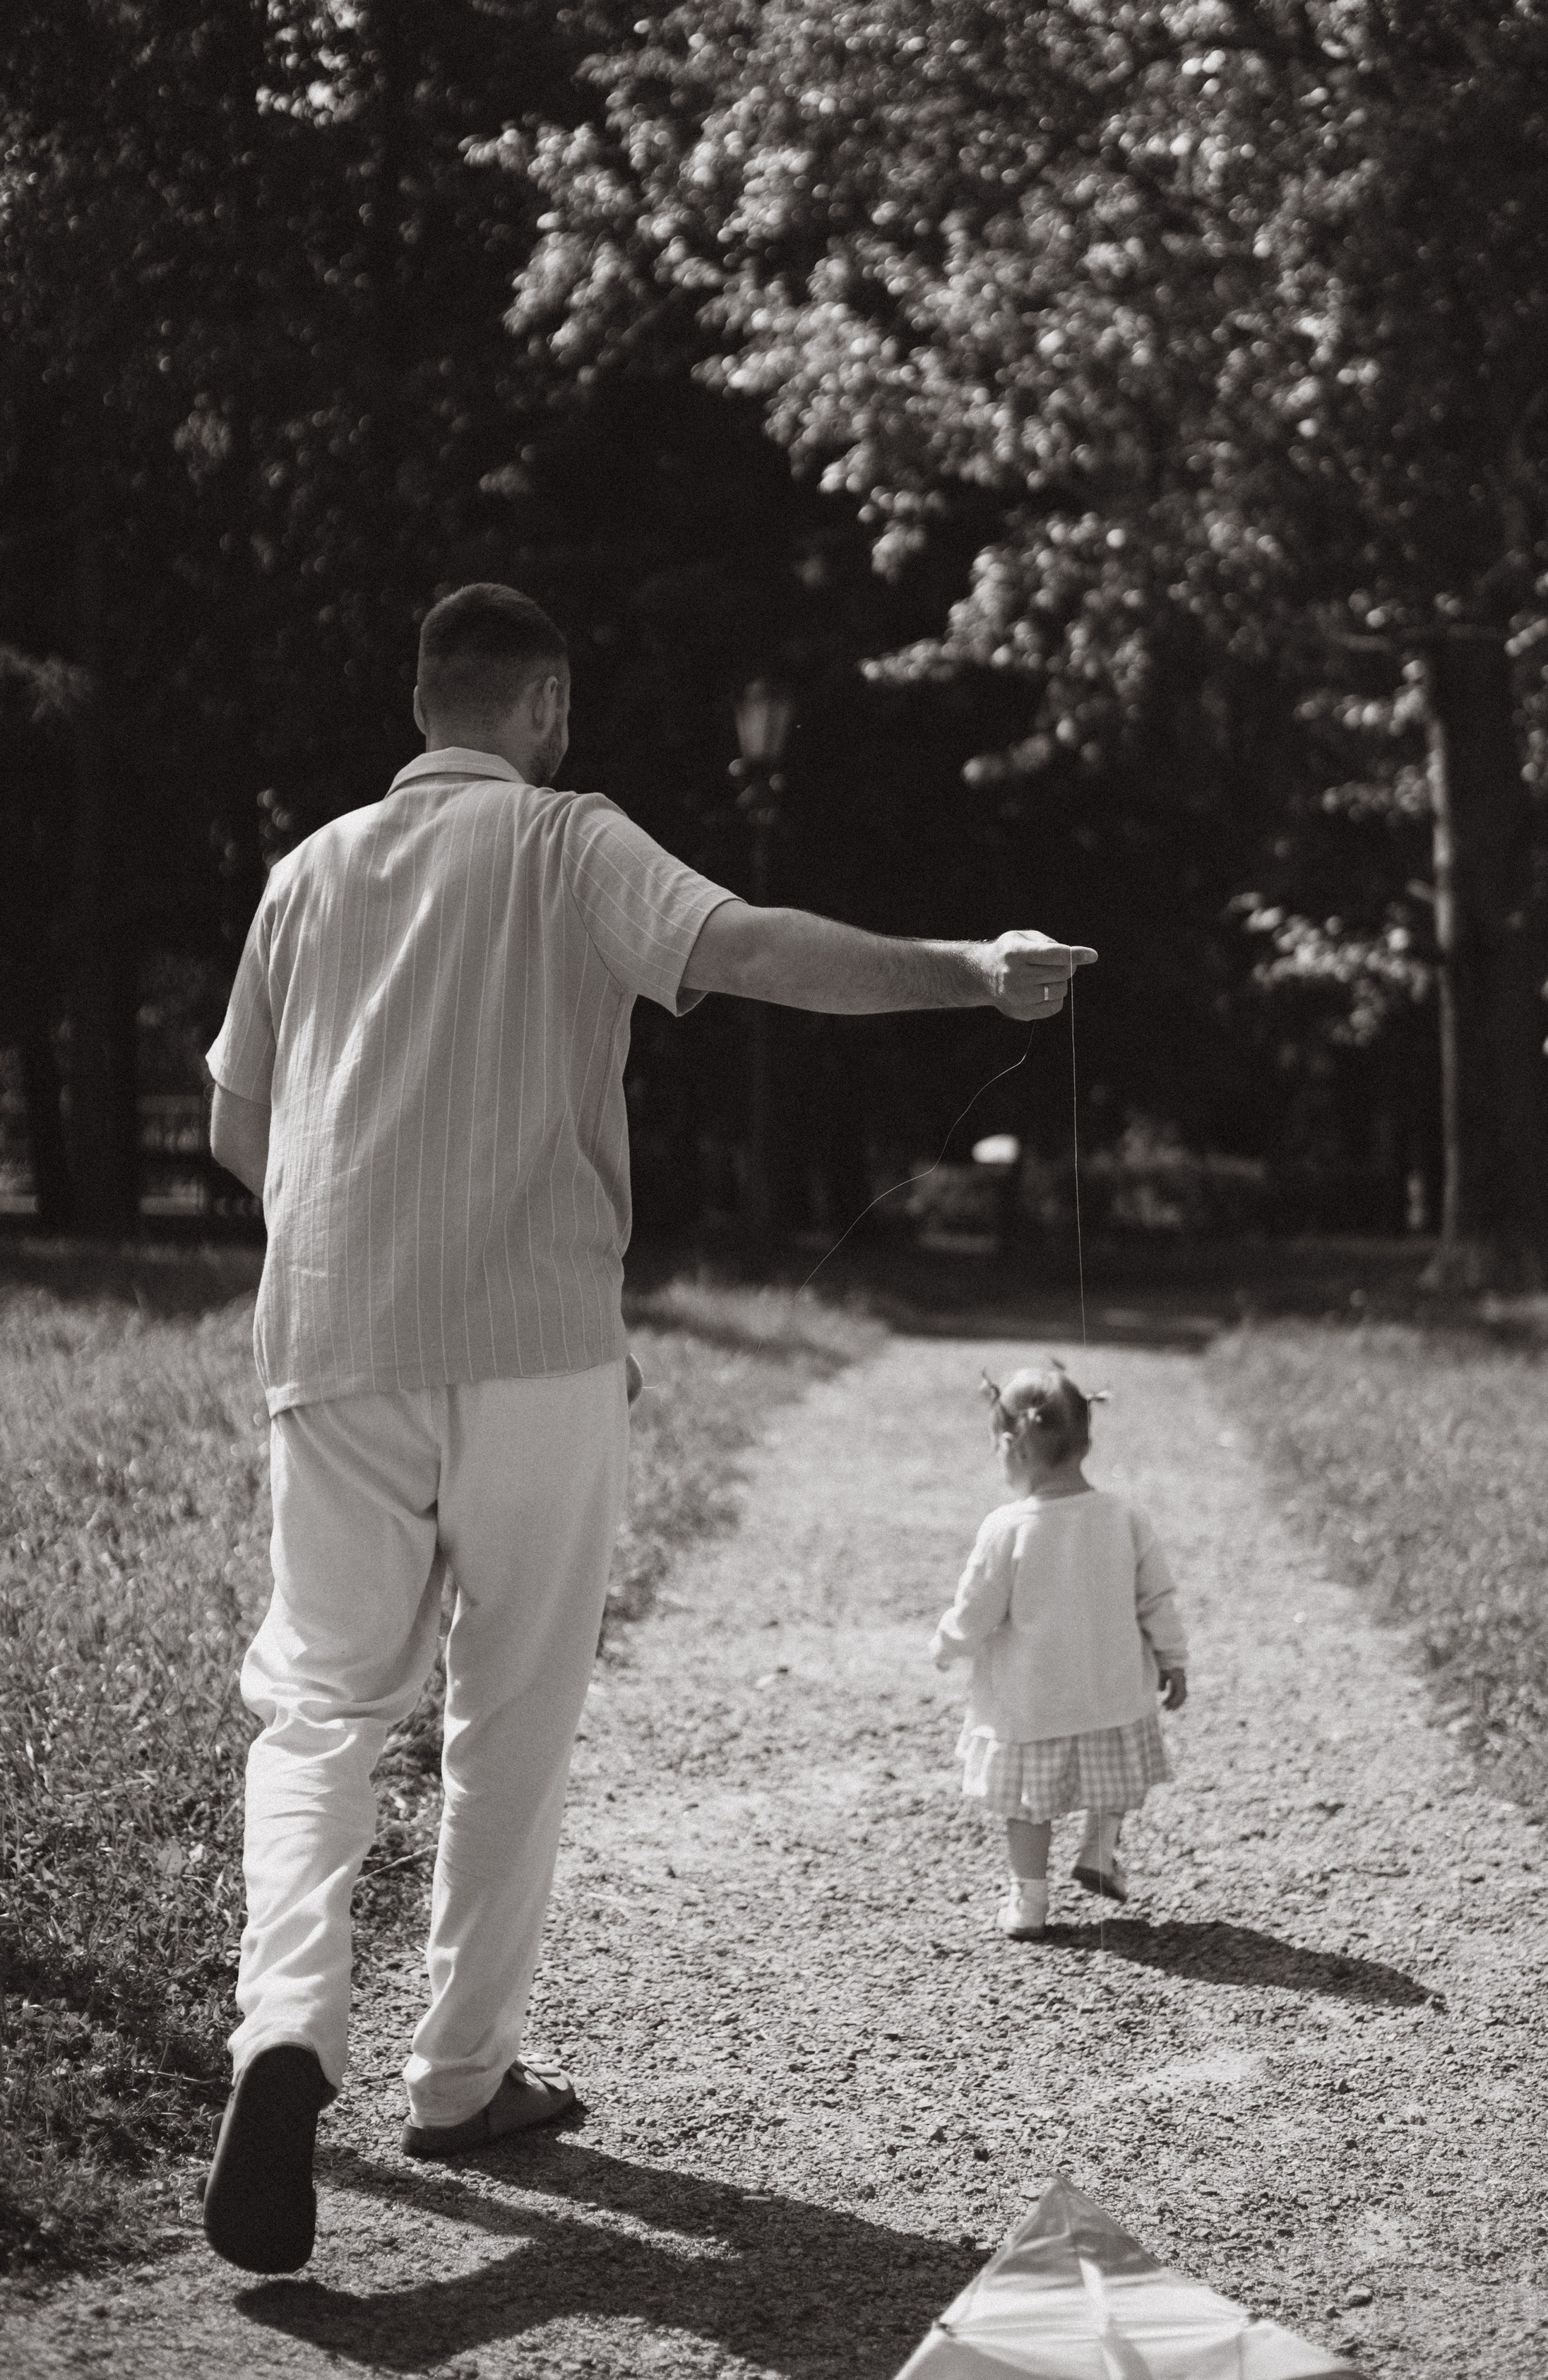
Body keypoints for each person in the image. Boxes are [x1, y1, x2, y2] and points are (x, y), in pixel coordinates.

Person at [201, 581, 1095, 2276]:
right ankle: (460, 2075)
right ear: (540, 701)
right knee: (509, 1713)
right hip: (537, 1341)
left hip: (329, 1338)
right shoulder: (565, 839)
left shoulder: (304, 872)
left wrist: (347, 1243)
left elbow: (242, 1125)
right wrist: (974, 970)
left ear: (417, 704)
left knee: (317, 1704)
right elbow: (747, 944)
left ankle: (280, 2032)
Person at [931, 1362, 1188, 1940]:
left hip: (1032, 1707)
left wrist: (948, 1644)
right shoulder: (1125, 1515)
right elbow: (1157, 1600)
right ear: (1087, 1440)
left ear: (1010, 1446)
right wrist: (1173, 1660)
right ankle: (1099, 1848)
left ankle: (1029, 1902)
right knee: (1115, 1779)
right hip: (1113, 1695)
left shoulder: (1008, 1528)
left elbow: (976, 1610)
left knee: (1028, 1805)